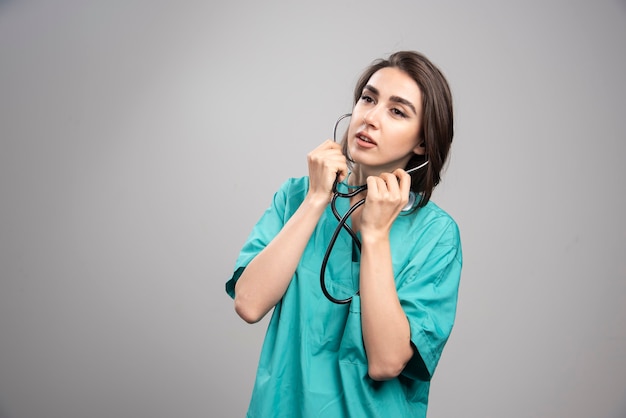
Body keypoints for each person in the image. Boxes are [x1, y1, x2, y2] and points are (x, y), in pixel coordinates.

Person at [225, 50, 462, 418]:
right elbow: (249, 303)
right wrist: (316, 199)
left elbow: (386, 362)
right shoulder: (295, 197)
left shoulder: (436, 235)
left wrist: (376, 236)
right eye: (368, 98)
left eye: (397, 111)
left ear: (423, 144)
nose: (370, 117)